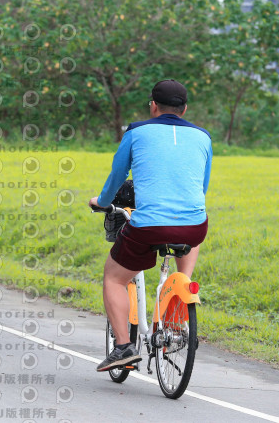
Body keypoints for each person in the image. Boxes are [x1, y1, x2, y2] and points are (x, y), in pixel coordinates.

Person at [89, 79, 212, 372]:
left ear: (153, 106)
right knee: (195, 226)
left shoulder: (136, 131)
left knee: (114, 277)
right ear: (185, 109)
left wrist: (103, 201)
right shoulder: (203, 137)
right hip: (193, 224)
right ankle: (181, 289)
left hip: (149, 227)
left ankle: (122, 348)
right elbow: (201, 187)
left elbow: (117, 176)